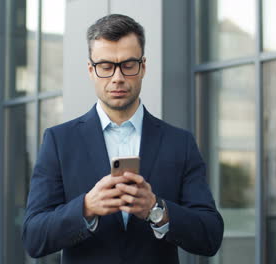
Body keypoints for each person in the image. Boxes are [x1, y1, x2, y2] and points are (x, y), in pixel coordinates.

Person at [22, 14, 223, 263]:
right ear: (91, 70)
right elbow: (33, 237)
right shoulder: (59, 141)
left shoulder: (179, 143)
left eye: (128, 65)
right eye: (106, 66)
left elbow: (211, 235)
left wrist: (156, 210)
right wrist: (85, 207)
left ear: (143, 67)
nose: (117, 77)